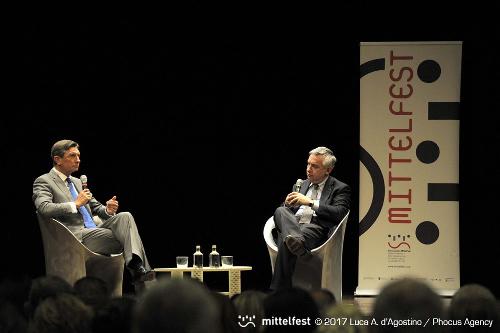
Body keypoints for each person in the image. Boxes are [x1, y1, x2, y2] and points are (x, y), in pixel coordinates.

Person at [32, 139, 154, 285]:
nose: (78, 160)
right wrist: (75, 204)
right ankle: (139, 272)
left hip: (94, 231)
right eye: (72, 156)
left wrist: (107, 210)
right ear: (57, 159)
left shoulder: (77, 182)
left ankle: (136, 265)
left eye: (78, 156)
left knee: (125, 217)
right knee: (128, 237)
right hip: (75, 236)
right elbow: (44, 208)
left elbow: (96, 208)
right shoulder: (44, 181)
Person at [269, 146, 351, 290]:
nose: (308, 169)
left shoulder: (340, 188)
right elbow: (285, 214)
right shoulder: (301, 184)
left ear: (328, 170)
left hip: (314, 228)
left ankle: (278, 291)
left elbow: (340, 212)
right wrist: (287, 203)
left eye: (315, 166)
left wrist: (310, 202)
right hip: (293, 225)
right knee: (280, 210)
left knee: (286, 240)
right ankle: (297, 243)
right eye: (308, 164)